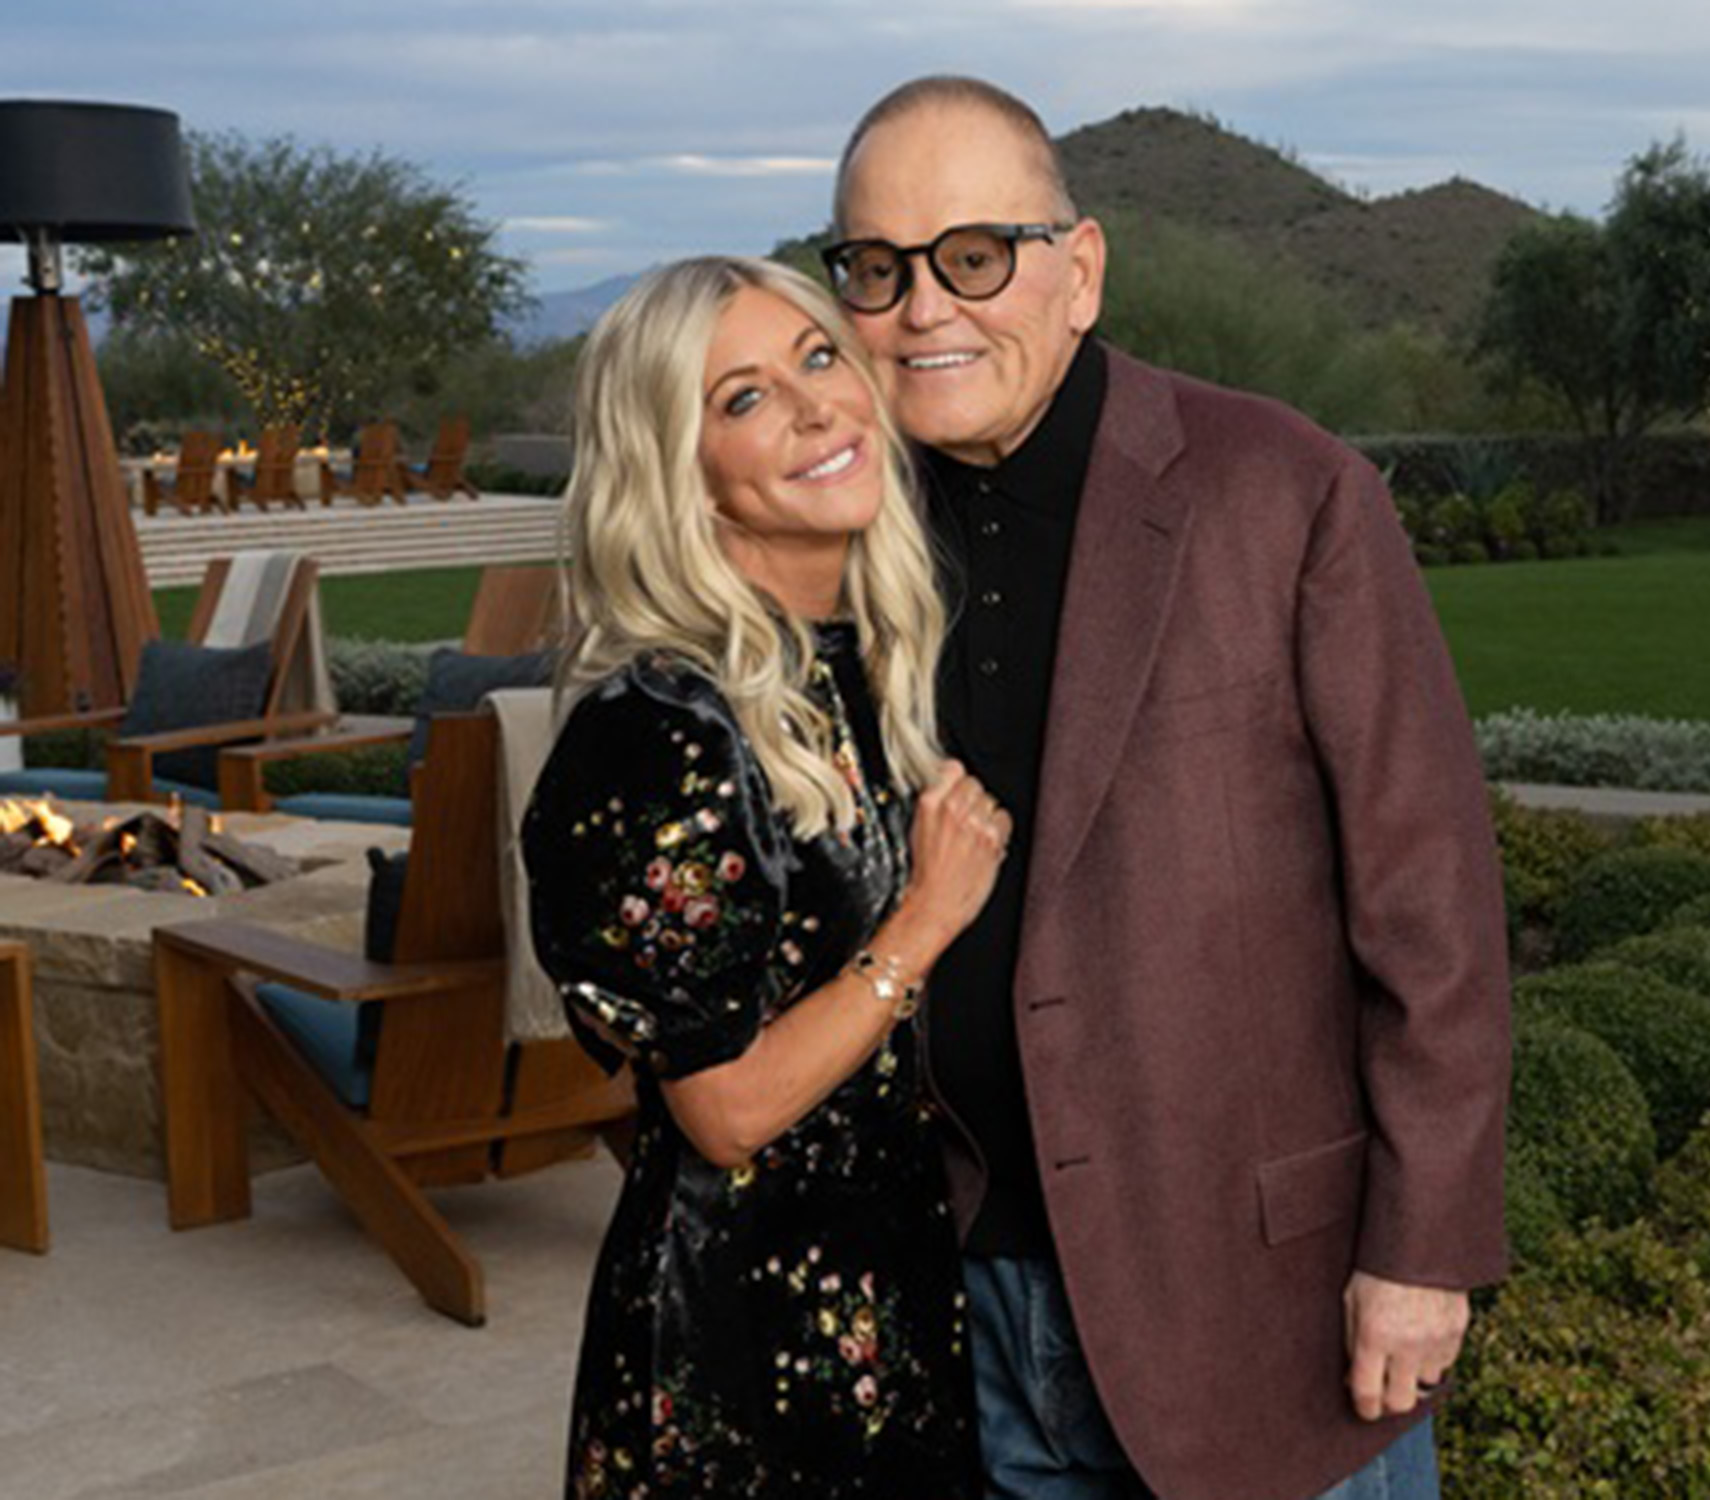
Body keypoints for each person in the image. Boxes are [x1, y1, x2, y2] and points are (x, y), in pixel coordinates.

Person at [822, 77, 1514, 1500]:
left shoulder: (1286, 491)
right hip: (974, 1315)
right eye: (877, 271)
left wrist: (1423, 1251)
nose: (924, 309)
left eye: (972, 257)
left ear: (1079, 270)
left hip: (1266, 1312)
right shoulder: (848, 534)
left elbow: (1431, 905)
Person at [521, 255, 1011, 1498]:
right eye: (740, 399)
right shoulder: (658, 730)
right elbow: (723, 1110)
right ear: (675, 468)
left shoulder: (868, 665)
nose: (811, 408)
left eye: (815, 358)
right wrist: (923, 921)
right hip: (739, 1334)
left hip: (892, 1289)